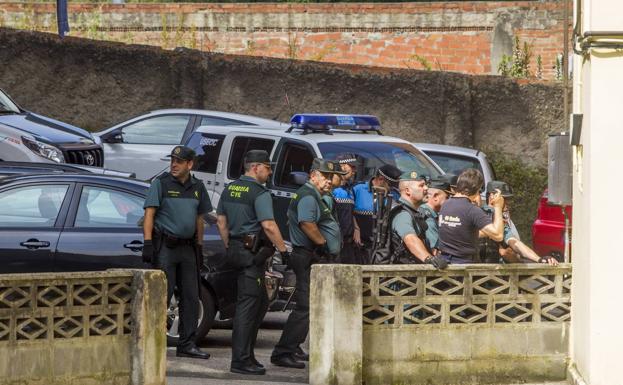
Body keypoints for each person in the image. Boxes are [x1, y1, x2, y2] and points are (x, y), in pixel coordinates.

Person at [216, 150, 290, 375]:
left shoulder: (230, 188)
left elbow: (221, 222)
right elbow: (268, 225)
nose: (270, 172)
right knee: (249, 308)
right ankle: (240, 361)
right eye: (268, 168)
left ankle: (248, 356)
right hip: (252, 255)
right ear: (256, 167)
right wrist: (283, 250)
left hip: (237, 250)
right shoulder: (259, 192)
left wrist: (231, 246)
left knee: (256, 304)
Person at [271, 158, 344, 369]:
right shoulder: (308, 196)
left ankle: (293, 347)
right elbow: (307, 223)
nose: (329, 181)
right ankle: (282, 352)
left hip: (310, 255)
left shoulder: (314, 195)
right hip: (307, 255)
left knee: (308, 305)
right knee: (304, 307)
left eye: (331, 177)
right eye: (325, 176)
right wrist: (322, 244)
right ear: (313, 175)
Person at [142, 145, 212, 359]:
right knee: (162, 296)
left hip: (188, 248)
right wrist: (147, 243)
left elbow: (200, 220)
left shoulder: (198, 187)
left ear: (189, 164)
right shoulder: (160, 184)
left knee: (191, 296)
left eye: (179, 161)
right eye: (172, 160)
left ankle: (187, 344)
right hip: (167, 248)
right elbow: (149, 214)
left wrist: (200, 247)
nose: (173, 164)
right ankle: (152, 343)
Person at [437, 168, 505, 264]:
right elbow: (498, 235)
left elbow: (462, 231)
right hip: (465, 267)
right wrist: (498, 206)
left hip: (445, 263)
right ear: (477, 189)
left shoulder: (445, 205)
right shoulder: (472, 210)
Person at [483, 181, 559, 266]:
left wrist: (539, 259)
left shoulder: (502, 220)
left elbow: (515, 243)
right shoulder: (479, 215)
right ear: (492, 197)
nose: (508, 203)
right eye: (504, 199)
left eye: (508, 200)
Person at [388, 171, 448, 268]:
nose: (426, 188)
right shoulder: (402, 214)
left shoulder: (413, 212)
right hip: (404, 278)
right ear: (408, 191)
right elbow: (410, 239)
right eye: (421, 185)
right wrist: (429, 259)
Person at [352, 164, 402, 264]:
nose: (391, 188)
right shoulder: (358, 190)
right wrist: (356, 228)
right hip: (359, 246)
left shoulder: (394, 195)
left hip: (382, 248)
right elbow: (349, 212)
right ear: (380, 179)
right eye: (390, 185)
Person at [332, 153, 360, 263]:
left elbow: (350, 212)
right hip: (336, 242)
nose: (354, 170)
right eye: (352, 166)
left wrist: (356, 228)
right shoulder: (332, 189)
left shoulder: (350, 189)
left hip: (348, 242)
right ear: (342, 166)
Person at [417, 175, 453, 255]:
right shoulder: (429, 219)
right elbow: (435, 252)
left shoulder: (423, 211)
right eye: (447, 197)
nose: (449, 200)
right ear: (436, 196)